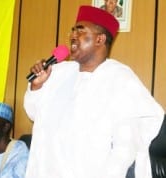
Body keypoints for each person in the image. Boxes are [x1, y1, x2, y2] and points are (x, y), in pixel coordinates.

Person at [24, 5, 164, 178]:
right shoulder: (58, 72)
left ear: (100, 39)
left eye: (80, 30)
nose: (72, 35)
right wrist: (36, 86)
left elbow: (124, 150)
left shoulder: (121, 79)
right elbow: (34, 113)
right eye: (72, 30)